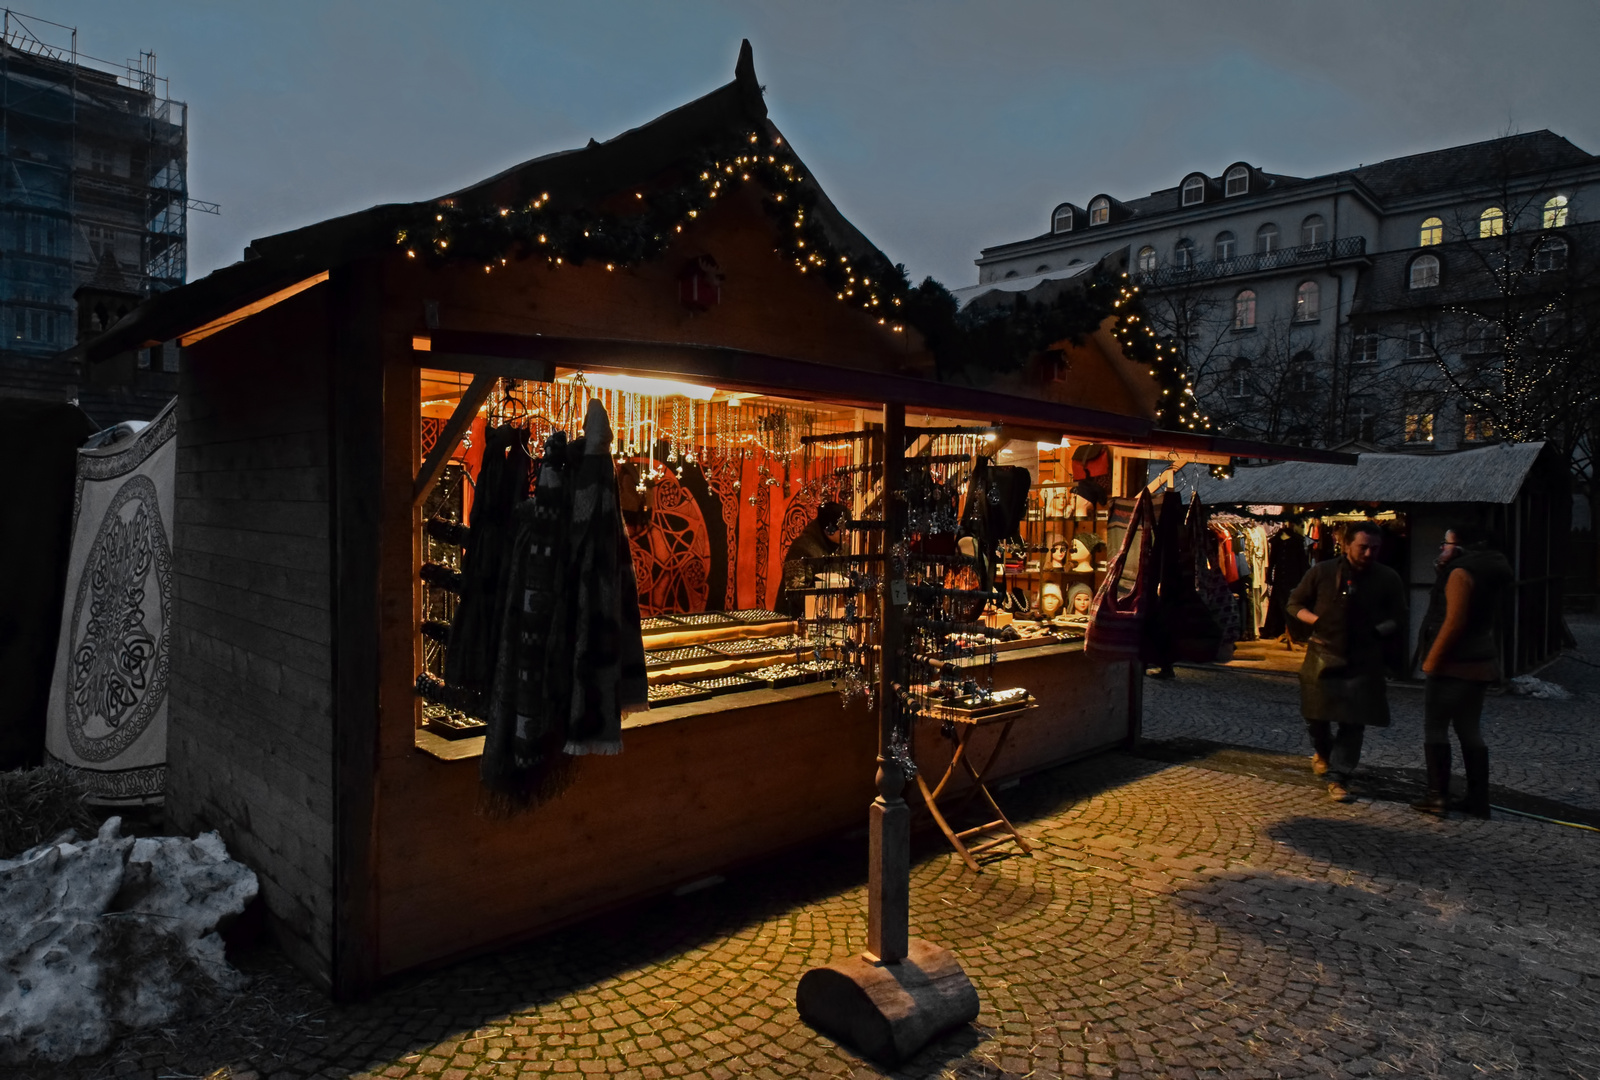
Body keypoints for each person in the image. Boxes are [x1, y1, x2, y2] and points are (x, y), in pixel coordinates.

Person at [1286, 521, 1406, 802]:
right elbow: (1294, 603)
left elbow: (1399, 616)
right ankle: (1324, 752)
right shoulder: (1322, 571)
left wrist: (1378, 631)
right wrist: (1317, 621)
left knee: (1354, 720)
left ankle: (1339, 775)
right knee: (1315, 715)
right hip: (1323, 652)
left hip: (1363, 657)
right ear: (1346, 544)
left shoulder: (1387, 577)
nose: (1368, 554)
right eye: (1362, 547)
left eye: (1374, 548)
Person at [1413, 524, 1513, 818]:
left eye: (1445, 543)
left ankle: (1437, 796)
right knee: (1470, 728)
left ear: (1460, 547)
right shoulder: (1491, 568)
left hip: (1454, 662)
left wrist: (1432, 660)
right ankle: (1478, 800)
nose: (1442, 548)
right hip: (1481, 660)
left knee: (1436, 726)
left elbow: (1453, 622)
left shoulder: (1461, 573)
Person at [775, 501, 849, 617]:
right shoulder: (802, 549)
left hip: (827, 618)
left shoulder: (841, 547)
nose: (847, 533)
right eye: (843, 529)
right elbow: (796, 594)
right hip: (796, 621)